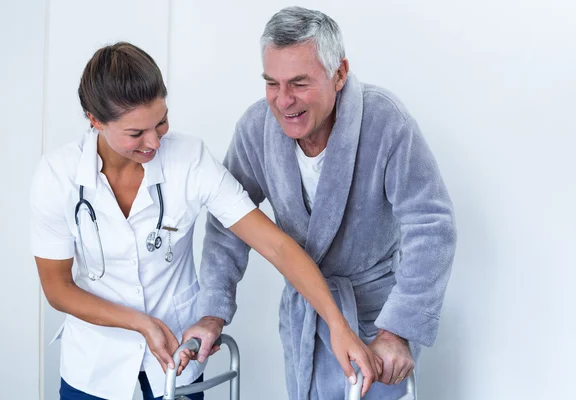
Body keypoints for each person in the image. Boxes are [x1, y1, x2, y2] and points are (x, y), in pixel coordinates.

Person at [30, 42, 379, 400]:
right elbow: (58, 288)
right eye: (136, 133)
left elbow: (275, 245)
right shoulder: (58, 176)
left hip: (177, 360)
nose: (154, 142)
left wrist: (338, 325)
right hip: (94, 362)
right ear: (95, 120)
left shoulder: (188, 159)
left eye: (161, 121)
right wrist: (140, 323)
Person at [183, 6, 457, 400]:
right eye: (272, 83)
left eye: (299, 83)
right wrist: (212, 313)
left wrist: (398, 331)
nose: (283, 100)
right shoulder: (255, 128)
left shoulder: (385, 121)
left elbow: (431, 223)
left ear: (340, 73)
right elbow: (229, 225)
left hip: (375, 322)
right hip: (304, 320)